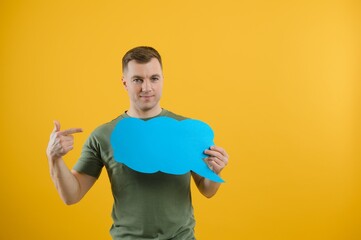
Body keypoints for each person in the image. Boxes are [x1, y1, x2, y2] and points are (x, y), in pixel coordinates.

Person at [46, 46, 229, 240]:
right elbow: (72, 195)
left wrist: (215, 171)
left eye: (154, 78)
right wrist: (54, 158)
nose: (147, 87)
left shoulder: (187, 130)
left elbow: (207, 189)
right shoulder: (103, 135)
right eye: (137, 80)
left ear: (163, 80)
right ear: (124, 82)